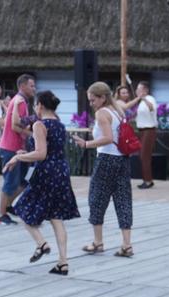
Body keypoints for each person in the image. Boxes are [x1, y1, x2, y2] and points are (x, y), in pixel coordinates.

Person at [4, 91, 80, 276]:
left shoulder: (40, 124)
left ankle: (42, 244)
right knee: (56, 217)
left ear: (40, 105)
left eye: (36, 105)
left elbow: (41, 154)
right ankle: (63, 263)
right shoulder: (60, 125)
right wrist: (25, 152)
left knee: (21, 208)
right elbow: (47, 149)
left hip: (46, 172)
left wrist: (17, 157)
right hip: (61, 171)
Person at [71, 82, 134, 258]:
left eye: (93, 100)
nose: (91, 104)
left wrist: (86, 143)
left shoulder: (101, 113)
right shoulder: (118, 111)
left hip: (106, 159)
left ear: (102, 97)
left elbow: (107, 138)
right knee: (123, 200)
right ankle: (127, 244)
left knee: (97, 198)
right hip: (122, 159)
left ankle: (98, 242)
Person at [0, 74, 36, 225]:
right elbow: (14, 126)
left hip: (18, 147)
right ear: (22, 86)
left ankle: (7, 206)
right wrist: (33, 134)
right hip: (11, 147)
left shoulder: (20, 101)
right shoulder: (20, 102)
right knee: (11, 182)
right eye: (31, 85)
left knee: (24, 181)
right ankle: (1, 214)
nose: (34, 88)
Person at [134, 81, 157, 189]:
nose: (137, 91)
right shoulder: (141, 102)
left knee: (144, 155)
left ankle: (148, 180)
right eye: (137, 89)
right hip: (142, 130)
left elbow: (151, 108)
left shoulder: (150, 99)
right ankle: (147, 179)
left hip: (149, 130)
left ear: (145, 90)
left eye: (140, 89)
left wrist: (143, 98)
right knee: (143, 155)